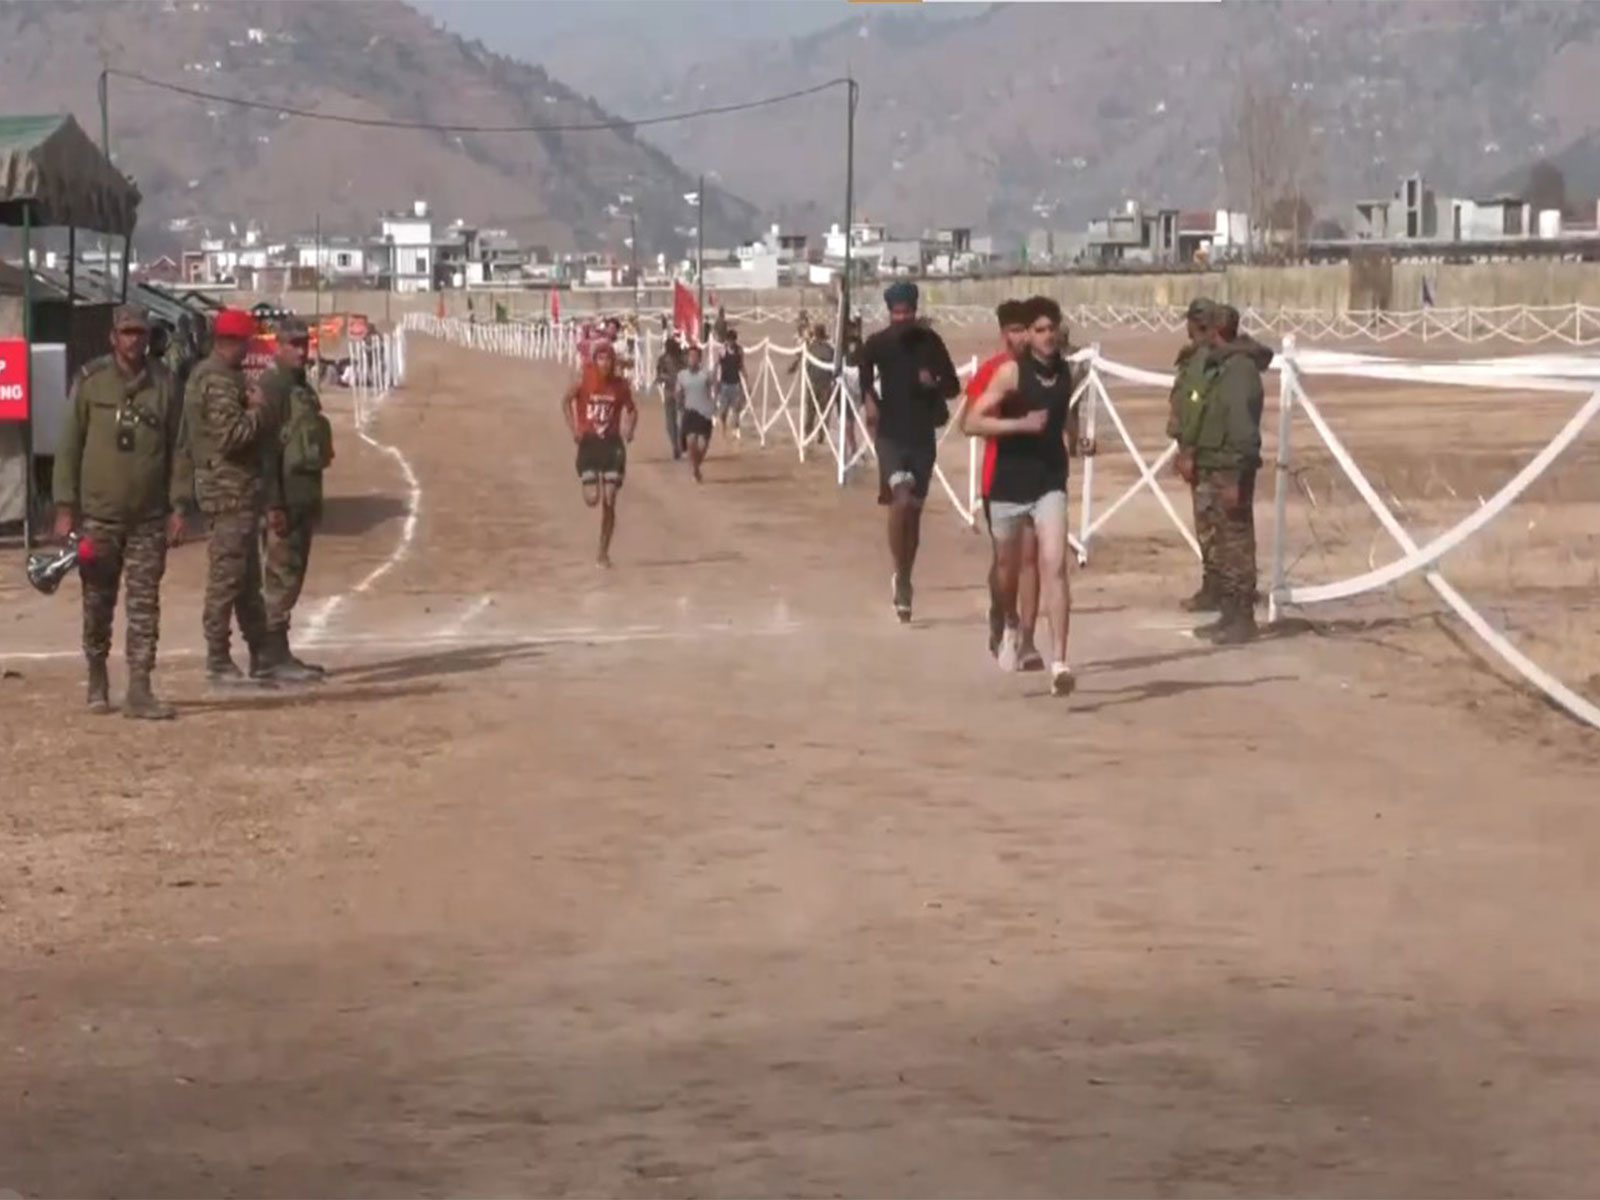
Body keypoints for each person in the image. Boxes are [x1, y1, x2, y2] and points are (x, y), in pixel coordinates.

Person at [51, 305, 191, 719]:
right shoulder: (91, 382)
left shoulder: (164, 383)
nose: (134, 340)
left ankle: (140, 688)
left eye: (140, 333)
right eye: (127, 332)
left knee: (144, 605)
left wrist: (179, 506)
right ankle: (97, 676)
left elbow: (178, 450)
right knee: (98, 602)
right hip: (99, 517)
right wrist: (64, 507)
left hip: (148, 517)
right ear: (113, 337)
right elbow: (69, 446)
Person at [963, 296, 1095, 697]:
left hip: (1050, 480)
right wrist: (1021, 424)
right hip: (1007, 482)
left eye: (1052, 328)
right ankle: (1007, 622)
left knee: (1053, 564)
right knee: (1007, 569)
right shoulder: (1009, 374)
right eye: (1039, 330)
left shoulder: (1068, 372)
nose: (1048, 335)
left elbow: (1064, 417)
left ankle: (1060, 663)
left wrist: (1078, 441)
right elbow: (970, 422)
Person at [858, 281, 960, 623]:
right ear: (890, 313)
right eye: (896, 312)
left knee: (913, 513)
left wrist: (934, 382)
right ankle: (901, 579)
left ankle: (905, 576)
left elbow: (954, 386)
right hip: (890, 434)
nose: (902, 317)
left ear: (915, 311)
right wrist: (870, 399)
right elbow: (863, 370)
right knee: (900, 501)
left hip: (921, 436)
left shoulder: (930, 343)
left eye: (907, 312)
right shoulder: (880, 343)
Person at [186, 306, 276, 687]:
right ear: (232, 342)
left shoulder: (222, 376)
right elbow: (231, 436)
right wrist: (258, 411)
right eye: (246, 343)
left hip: (238, 492)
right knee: (227, 577)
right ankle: (218, 658)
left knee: (246, 577)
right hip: (227, 492)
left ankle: (260, 653)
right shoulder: (217, 380)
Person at [1175, 304, 1273, 644]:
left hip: (1231, 466)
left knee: (1236, 541)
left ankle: (1242, 616)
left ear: (1216, 331)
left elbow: (1243, 428)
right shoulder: (1224, 365)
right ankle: (1229, 613)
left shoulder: (1239, 370)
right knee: (1225, 539)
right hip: (1217, 462)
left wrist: (1237, 475)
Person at [958, 300, 1038, 663]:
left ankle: (1029, 639)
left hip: (1040, 475)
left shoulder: (1043, 369)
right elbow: (970, 422)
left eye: (1029, 329)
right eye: (1018, 330)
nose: (1024, 337)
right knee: (1004, 557)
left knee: (1031, 557)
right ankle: (1003, 616)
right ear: (1005, 333)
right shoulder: (990, 371)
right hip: (999, 476)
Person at [257, 318, 334, 683]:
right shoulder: (272, 388)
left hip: (302, 497)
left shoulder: (300, 388)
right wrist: (273, 505)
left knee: (291, 577)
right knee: (279, 579)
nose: (301, 350)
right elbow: (265, 451)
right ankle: (270, 656)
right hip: (283, 500)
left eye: (304, 343)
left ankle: (277, 652)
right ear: (277, 346)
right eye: (293, 344)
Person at [563, 340, 638, 567]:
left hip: (612, 445)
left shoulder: (620, 385)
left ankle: (603, 552)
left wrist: (629, 428)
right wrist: (574, 427)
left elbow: (632, 410)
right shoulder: (584, 380)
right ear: (595, 361)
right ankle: (592, 477)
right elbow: (566, 401)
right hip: (589, 442)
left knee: (610, 499)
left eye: (609, 359)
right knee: (592, 499)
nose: (605, 363)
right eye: (601, 358)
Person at [1168, 298, 1221, 612]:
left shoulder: (1202, 358)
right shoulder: (1203, 356)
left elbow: (1195, 403)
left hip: (1203, 452)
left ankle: (1217, 588)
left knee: (1210, 523)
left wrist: (1187, 449)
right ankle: (1219, 586)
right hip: (1204, 448)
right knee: (1213, 523)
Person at [675, 344, 716, 483]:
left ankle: (696, 467)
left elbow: (715, 388)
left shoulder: (706, 374)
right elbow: (678, 392)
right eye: (690, 356)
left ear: (699, 359)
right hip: (690, 411)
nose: (692, 359)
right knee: (691, 441)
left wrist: (714, 404)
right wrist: (679, 403)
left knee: (703, 446)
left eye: (695, 357)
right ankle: (695, 469)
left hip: (705, 412)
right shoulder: (682, 375)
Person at [655, 335, 686, 460]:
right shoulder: (663, 359)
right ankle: (676, 445)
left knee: (678, 422)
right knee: (671, 423)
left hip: (681, 393)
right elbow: (659, 375)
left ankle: (679, 444)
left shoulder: (682, 358)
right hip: (671, 393)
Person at [715, 328, 746, 436]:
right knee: (723, 411)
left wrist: (746, 381)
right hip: (724, 384)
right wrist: (716, 382)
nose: (731, 342)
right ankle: (723, 426)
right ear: (727, 340)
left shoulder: (739, 351)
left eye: (733, 340)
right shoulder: (722, 351)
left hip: (736, 383)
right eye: (729, 340)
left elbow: (742, 366)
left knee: (736, 409)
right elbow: (717, 366)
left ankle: (736, 430)